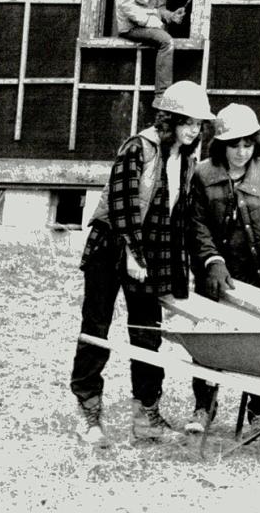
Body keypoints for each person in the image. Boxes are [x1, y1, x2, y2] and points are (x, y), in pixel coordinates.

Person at [70, 80, 214, 445]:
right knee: (96, 329)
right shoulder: (138, 148)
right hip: (111, 246)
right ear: (169, 120)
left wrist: (177, 274)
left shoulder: (187, 160)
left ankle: (146, 416)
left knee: (148, 334)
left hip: (151, 254)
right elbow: (122, 205)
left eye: (198, 125)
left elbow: (176, 218)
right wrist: (132, 253)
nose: (193, 131)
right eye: (187, 123)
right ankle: (88, 413)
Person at [186, 103, 260, 436]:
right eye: (234, 144)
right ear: (220, 144)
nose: (241, 151)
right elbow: (195, 225)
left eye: (248, 144)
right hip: (215, 277)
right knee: (209, 341)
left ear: (256, 144)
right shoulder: (201, 175)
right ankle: (203, 406)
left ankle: (258, 411)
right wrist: (212, 261)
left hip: (258, 276)